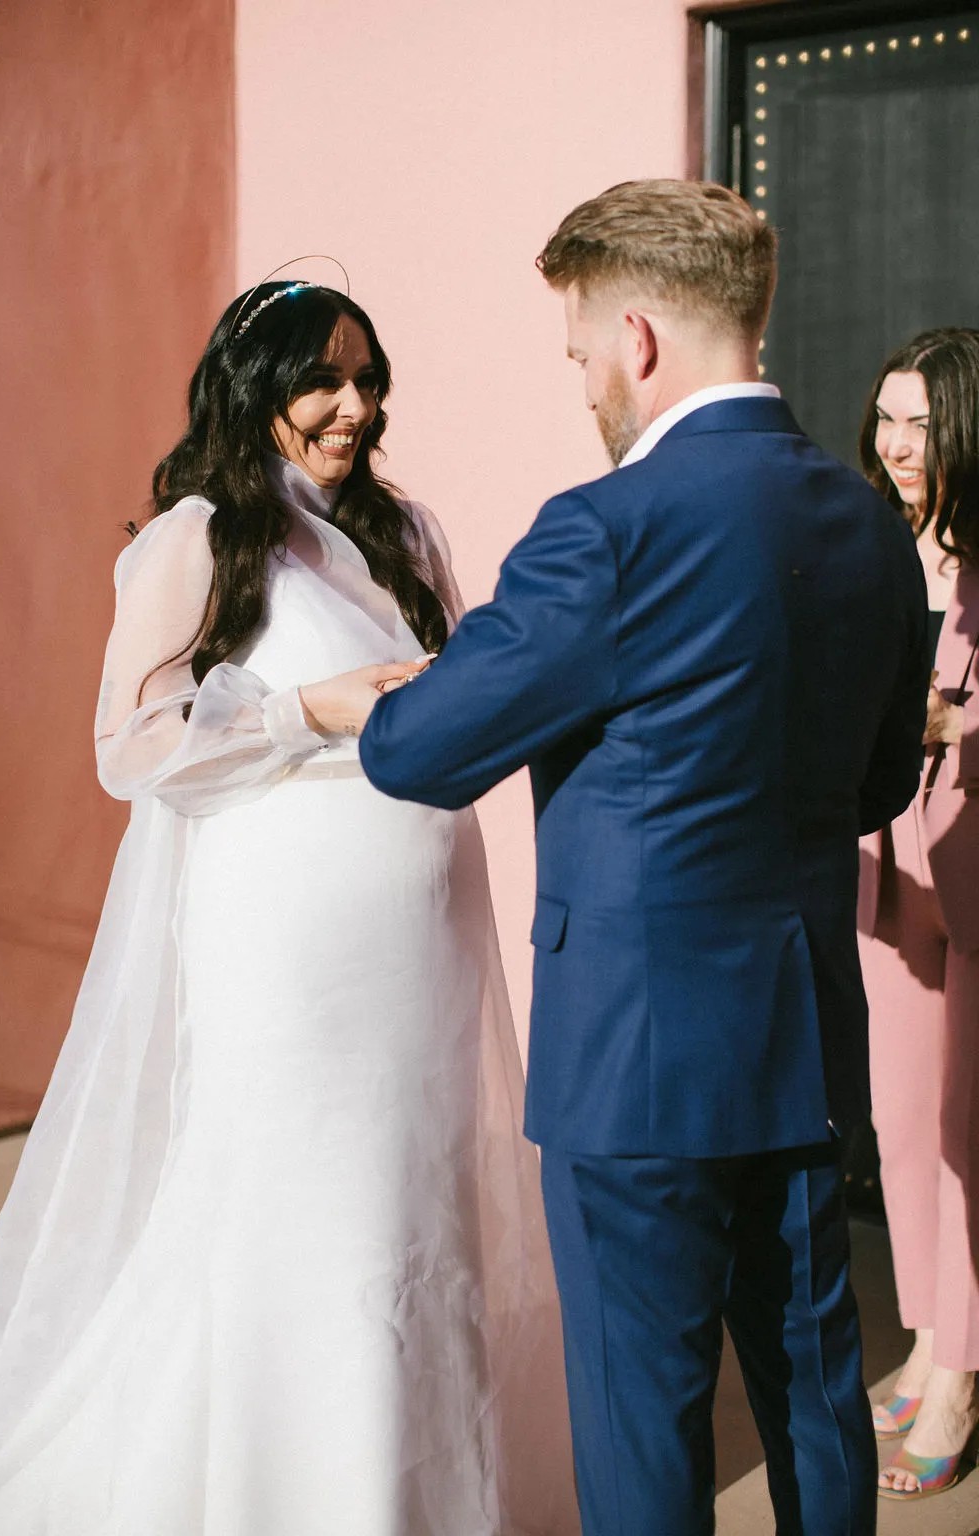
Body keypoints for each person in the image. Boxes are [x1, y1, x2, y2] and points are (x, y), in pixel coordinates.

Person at [300, 181, 931, 1536]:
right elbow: (877, 781)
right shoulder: (869, 525)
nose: (582, 378)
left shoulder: (606, 529)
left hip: (635, 1059)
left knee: (642, 1414)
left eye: (580, 349)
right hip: (805, 1034)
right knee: (815, 1389)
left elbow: (423, 755)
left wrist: (374, 701)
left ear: (637, 337)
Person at [0, 278, 580, 1535]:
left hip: (419, 946)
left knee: (410, 1197)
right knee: (300, 1201)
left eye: (367, 379)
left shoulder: (405, 531)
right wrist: (309, 708)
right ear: (256, 389)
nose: (352, 406)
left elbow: (449, 695)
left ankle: (407, 1486)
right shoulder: (197, 536)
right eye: (322, 381)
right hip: (284, 958)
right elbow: (130, 746)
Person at [857, 329, 979, 1501]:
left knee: (967, 1123)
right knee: (900, 1117)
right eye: (888, 419)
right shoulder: (878, 545)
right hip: (887, 862)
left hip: (972, 850)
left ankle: (960, 1376)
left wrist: (946, 724)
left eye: (924, 425)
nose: (898, 445)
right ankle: (930, 1335)